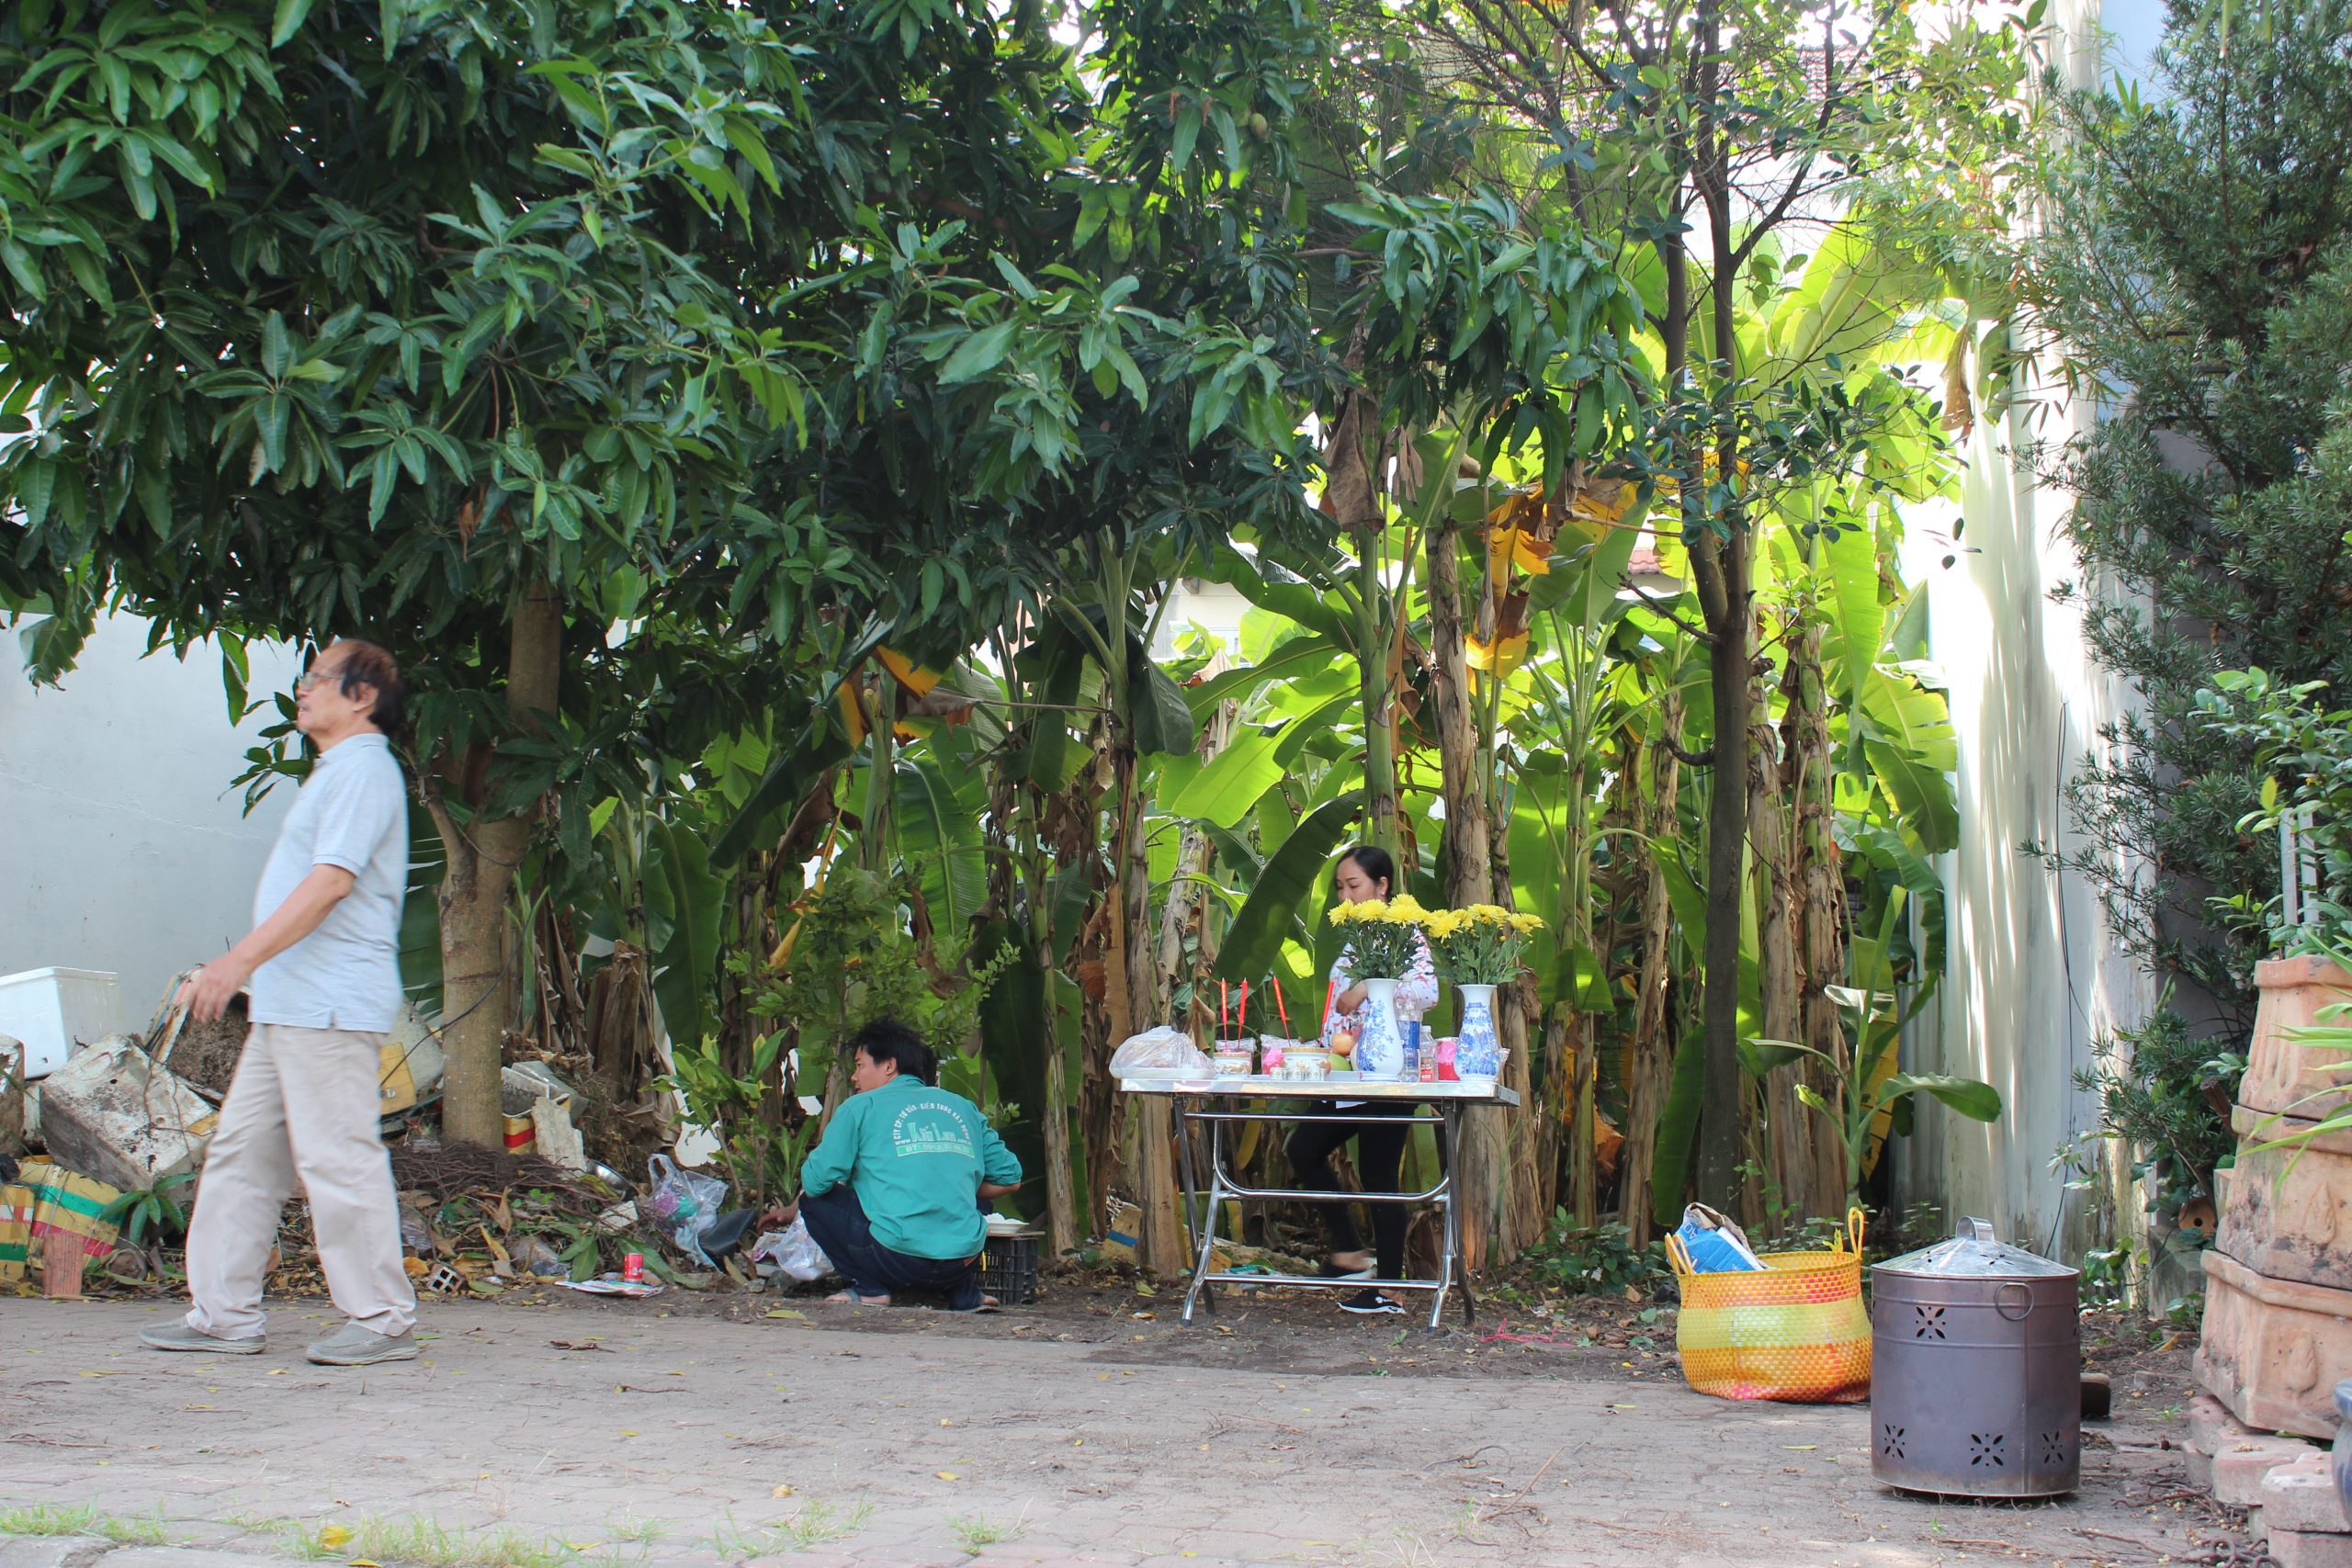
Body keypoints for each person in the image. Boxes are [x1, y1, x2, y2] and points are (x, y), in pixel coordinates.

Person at [141, 639, 420, 1366]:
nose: (303, 688)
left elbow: (331, 882)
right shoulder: (338, 770)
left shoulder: (364, 769)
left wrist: (236, 961)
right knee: (243, 1155)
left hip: (328, 1003)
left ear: (362, 695)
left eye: (318, 677)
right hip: (290, 1003)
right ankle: (224, 1313)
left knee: (336, 1157)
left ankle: (382, 1316)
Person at [763, 1018, 1021, 1310]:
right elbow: (1010, 1178)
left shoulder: (860, 1107)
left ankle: (870, 1289)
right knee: (969, 1203)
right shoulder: (964, 1107)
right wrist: (948, 1184)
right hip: (962, 1261)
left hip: (895, 1259)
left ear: (888, 1066)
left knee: (814, 1202)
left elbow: (815, 1183)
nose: (854, 1077)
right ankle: (965, 1294)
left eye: (860, 1065)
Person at [1285, 843, 1437, 1315]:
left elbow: (1427, 991)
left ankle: (1389, 1288)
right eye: (1340, 888)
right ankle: (1350, 1251)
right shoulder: (1358, 938)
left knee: (1378, 1175)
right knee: (1303, 1149)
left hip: (1388, 1072)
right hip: (1345, 1071)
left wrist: (1368, 988)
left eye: (1354, 885)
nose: (1345, 896)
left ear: (1382, 885)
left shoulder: (1403, 932)